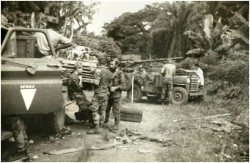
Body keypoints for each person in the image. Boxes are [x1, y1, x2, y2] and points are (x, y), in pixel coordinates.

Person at [87, 57, 112, 134]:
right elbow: (110, 84)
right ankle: (101, 126)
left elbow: (97, 83)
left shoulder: (98, 71)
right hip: (106, 94)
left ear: (99, 62)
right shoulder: (109, 72)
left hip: (99, 93)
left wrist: (92, 80)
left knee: (94, 110)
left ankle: (96, 128)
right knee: (103, 110)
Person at [67, 61, 93, 126]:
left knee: (88, 104)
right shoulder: (74, 77)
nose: (82, 70)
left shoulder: (72, 75)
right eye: (81, 68)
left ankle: (86, 118)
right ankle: (89, 121)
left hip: (76, 93)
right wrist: (81, 81)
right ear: (78, 68)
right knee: (87, 106)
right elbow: (78, 88)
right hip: (75, 94)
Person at [104, 58, 126, 131]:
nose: (110, 66)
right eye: (110, 64)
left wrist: (115, 88)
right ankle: (105, 123)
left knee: (116, 110)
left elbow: (123, 85)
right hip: (108, 94)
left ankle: (116, 125)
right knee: (106, 109)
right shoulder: (108, 72)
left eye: (112, 64)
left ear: (116, 65)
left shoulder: (120, 73)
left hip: (116, 95)